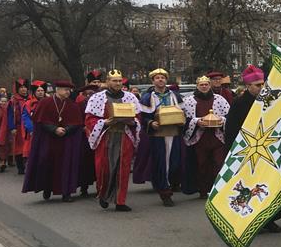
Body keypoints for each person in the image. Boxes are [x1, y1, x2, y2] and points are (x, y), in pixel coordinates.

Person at [224, 65, 281, 233]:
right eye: (258, 85)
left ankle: (270, 218)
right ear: (248, 86)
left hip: (268, 150)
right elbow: (231, 131)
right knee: (249, 188)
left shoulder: (270, 100)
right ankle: (250, 220)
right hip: (248, 153)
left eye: (263, 84)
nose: (261, 87)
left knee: (269, 184)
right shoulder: (239, 104)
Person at [84, 70, 141, 212]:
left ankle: (120, 201)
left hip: (124, 136)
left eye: (120, 81)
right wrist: (105, 122)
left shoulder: (130, 97)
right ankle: (103, 195)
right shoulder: (97, 98)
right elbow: (90, 119)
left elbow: (138, 117)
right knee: (105, 168)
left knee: (123, 169)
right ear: (108, 81)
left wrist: (133, 122)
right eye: (114, 81)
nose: (117, 83)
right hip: (106, 136)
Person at [21, 80, 85, 202]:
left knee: (66, 165)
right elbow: (40, 121)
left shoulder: (72, 105)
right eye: (66, 90)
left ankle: (66, 192)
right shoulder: (45, 103)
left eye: (69, 90)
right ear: (58, 90)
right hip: (49, 139)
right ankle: (47, 188)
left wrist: (66, 130)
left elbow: (77, 123)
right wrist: (54, 129)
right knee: (47, 163)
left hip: (66, 141)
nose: (68, 92)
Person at [135, 68, 185, 206]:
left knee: (174, 162)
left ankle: (167, 183)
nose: (160, 80)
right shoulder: (147, 97)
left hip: (173, 132)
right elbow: (143, 117)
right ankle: (165, 192)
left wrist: (182, 121)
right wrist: (151, 123)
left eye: (162, 77)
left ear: (166, 80)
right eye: (157, 78)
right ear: (153, 81)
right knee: (161, 163)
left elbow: (183, 112)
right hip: (158, 134)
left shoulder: (175, 95)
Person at [181, 75, 230, 198]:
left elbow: (229, 116)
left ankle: (218, 189)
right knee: (201, 164)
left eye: (206, 84)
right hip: (199, 138)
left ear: (209, 85)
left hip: (217, 138)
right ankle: (203, 190)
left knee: (218, 163)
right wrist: (197, 122)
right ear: (197, 86)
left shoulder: (219, 99)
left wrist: (222, 120)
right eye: (201, 85)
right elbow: (184, 119)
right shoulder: (189, 101)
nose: (204, 87)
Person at [75, 83, 99, 197]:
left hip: (99, 136)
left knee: (99, 163)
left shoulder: (100, 104)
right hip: (84, 138)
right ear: (84, 95)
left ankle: (101, 187)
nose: (90, 96)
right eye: (88, 94)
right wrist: (83, 127)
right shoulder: (80, 104)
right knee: (85, 163)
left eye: (93, 93)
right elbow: (76, 119)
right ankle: (84, 188)